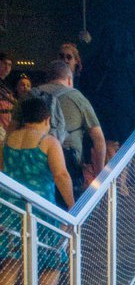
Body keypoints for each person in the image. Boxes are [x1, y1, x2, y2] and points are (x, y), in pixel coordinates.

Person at [0, 92, 75, 285]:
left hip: (10, 209)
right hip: (42, 209)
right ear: (46, 118)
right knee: (54, 257)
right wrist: (72, 206)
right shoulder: (48, 141)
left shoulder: (9, 140)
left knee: (11, 261)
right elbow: (61, 175)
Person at [36, 58, 106, 196]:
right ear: (69, 79)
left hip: (33, 164)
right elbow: (99, 140)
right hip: (69, 164)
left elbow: (11, 133)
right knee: (68, 209)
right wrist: (99, 176)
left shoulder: (29, 96)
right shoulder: (78, 98)